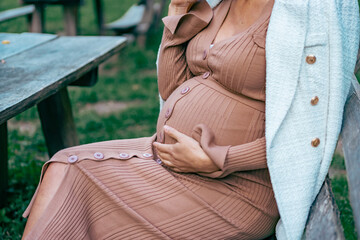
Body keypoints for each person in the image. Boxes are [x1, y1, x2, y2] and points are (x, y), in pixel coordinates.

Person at [22, 0, 359, 239]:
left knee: (77, 177)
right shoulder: (218, 5)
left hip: (237, 189)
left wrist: (219, 159)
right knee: (63, 165)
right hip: (176, 165)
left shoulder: (298, 18)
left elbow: (306, 130)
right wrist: (179, 11)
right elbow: (172, 86)